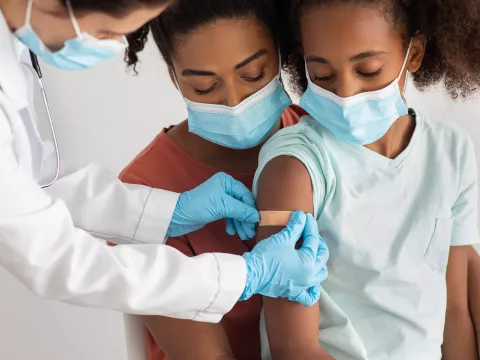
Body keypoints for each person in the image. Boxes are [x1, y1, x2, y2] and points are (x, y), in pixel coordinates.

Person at [0, 0, 327, 321]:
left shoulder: (314, 133)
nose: (112, 44)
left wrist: (170, 212)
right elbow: (54, 259)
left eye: (254, 74)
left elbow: (37, 178)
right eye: (106, 31)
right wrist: (247, 275)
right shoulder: (157, 172)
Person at [253, 0, 480, 359]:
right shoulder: (295, 166)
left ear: (414, 53)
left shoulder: (451, 152)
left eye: (369, 70)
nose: (345, 95)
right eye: (323, 75)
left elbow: (455, 313)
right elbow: (293, 348)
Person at [117, 0, 329, 358]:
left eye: (253, 74)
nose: (234, 102)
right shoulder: (142, 193)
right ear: (174, 77)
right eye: (204, 87)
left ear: (280, 55)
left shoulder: (322, 135)